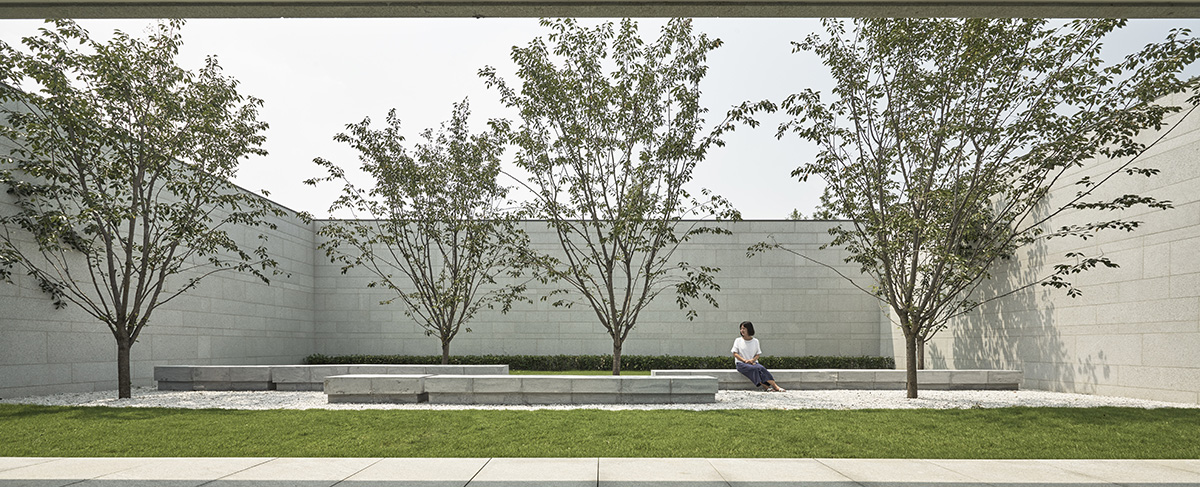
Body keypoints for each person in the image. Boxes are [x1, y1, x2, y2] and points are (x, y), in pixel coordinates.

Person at [732, 321, 786, 392]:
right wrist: (744, 361)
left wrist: (752, 360)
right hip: (741, 364)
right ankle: (766, 387)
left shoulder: (755, 341)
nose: (742, 330)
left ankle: (775, 386)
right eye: (741, 328)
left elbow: (758, 354)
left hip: (753, 363)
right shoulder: (738, 340)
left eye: (744, 328)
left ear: (749, 329)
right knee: (754, 369)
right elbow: (735, 353)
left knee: (761, 368)